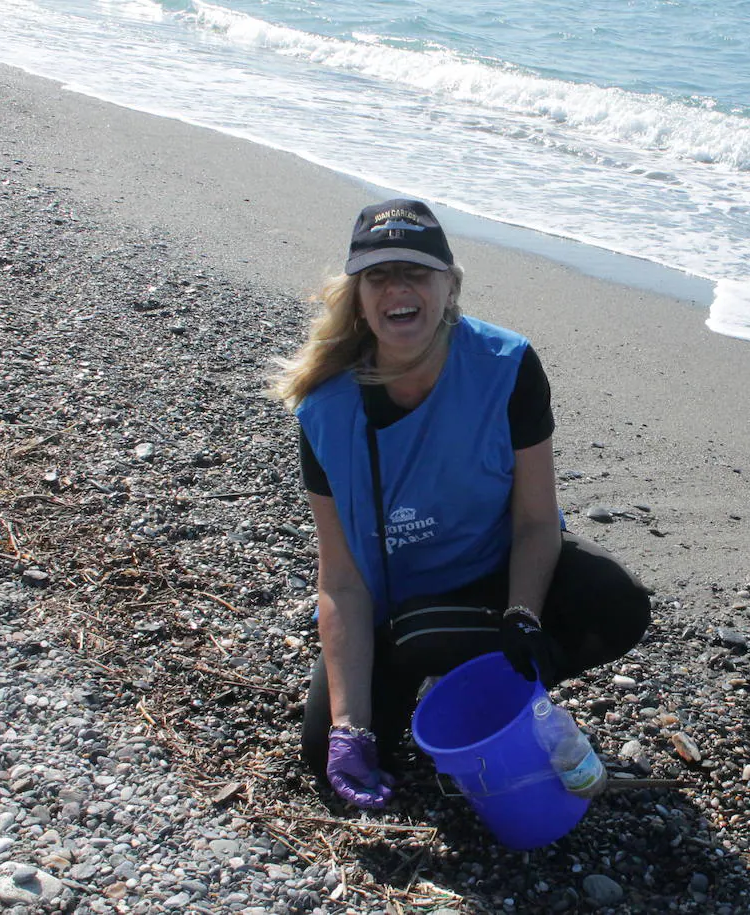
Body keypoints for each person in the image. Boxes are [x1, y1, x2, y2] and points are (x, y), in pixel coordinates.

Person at [271, 199, 651, 811]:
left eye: (417, 272)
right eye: (378, 275)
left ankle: (484, 688)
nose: (398, 288)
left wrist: (524, 615)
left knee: (617, 600)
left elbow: (535, 521)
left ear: (450, 287)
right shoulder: (323, 409)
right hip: (398, 611)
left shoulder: (506, 366)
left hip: (500, 579)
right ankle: (449, 679)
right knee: (326, 754)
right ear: (359, 297)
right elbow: (340, 580)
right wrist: (349, 726)